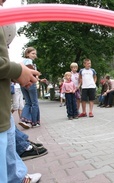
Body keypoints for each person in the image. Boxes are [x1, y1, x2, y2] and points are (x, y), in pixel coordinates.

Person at [0, 1, 42, 180]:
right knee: (32, 103)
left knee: (8, 140)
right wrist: (17, 70)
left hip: (3, 105)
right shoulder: (24, 62)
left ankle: (17, 177)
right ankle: (30, 121)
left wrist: (15, 73)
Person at [19, 47, 47, 129]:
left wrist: (40, 79)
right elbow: (30, 72)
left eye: (35, 54)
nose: (35, 55)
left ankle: (24, 119)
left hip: (23, 84)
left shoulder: (21, 62)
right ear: (27, 54)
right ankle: (34, 122)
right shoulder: (29, 61)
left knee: (28, 103)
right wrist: (36, 75)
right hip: (30, 83)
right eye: (33, 53)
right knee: (34, 103)